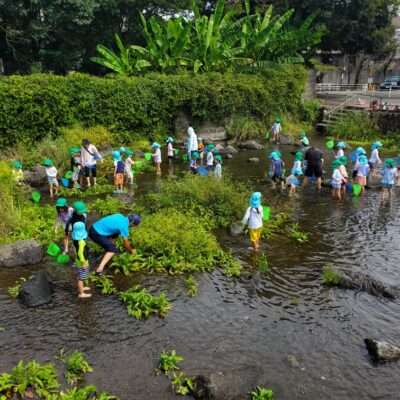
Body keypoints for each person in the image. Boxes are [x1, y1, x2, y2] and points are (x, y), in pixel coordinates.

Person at [71, 221, 91, 298]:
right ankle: (81, 293)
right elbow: (80, 253)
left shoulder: (75, 240)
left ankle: (80, 288)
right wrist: (83, 262)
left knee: (79, 276)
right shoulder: (81, 241)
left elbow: (75, 251)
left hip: (77, 260)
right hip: (82, 261)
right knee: (81, 278)